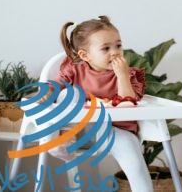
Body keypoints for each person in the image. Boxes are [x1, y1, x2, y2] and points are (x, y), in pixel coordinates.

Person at [48, 15, 153, 192]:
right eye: (106, 48)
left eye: (118, 45)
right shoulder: (74, 70)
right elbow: (55, 88)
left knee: (135, 165)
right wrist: (46, 94)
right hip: (80, 131)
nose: (115, 52)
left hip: (114, 133)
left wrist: (122, 76)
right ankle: (63, 137)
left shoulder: (129, 75)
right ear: (85, 55)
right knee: (70, 92)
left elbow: (130, 104)